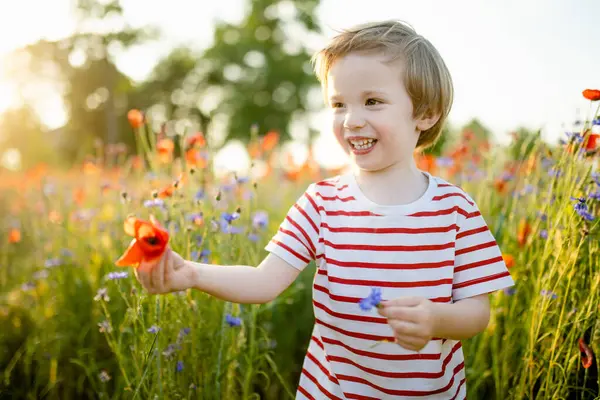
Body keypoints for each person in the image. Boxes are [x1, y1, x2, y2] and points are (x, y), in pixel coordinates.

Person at [134, 20, 515, 400]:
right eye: (338, 104)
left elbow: (477, 313)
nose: (351, 120)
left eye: (372, 101)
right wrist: (191, 273)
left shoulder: (456, 210)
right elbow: (263, 281)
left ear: (425, 114)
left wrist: (436, 320)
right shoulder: (321, 204)